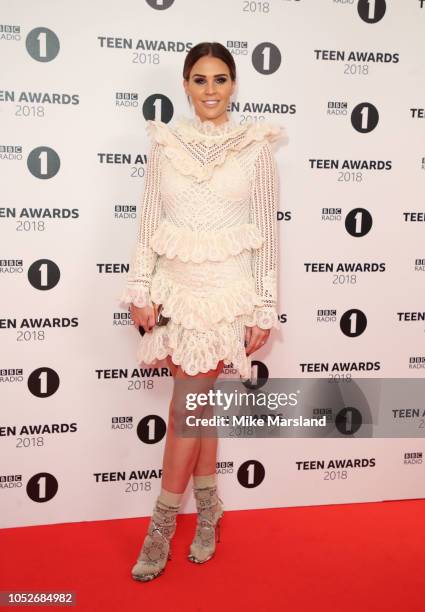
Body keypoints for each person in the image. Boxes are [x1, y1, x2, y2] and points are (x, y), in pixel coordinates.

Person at [118, 41, 287, 581]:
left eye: (219, 79)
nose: (209, 90)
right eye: (199, 79)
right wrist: (140, 288)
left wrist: (266, 306)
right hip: (174, 290)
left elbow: (267, 235)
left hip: (225, 295)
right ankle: (209, 509)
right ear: (185, 86)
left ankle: (160, 526)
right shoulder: (164, 143)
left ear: (234, 85)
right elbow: (147, 222)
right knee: (197, 406)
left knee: (184, 409)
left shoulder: (255, 146)